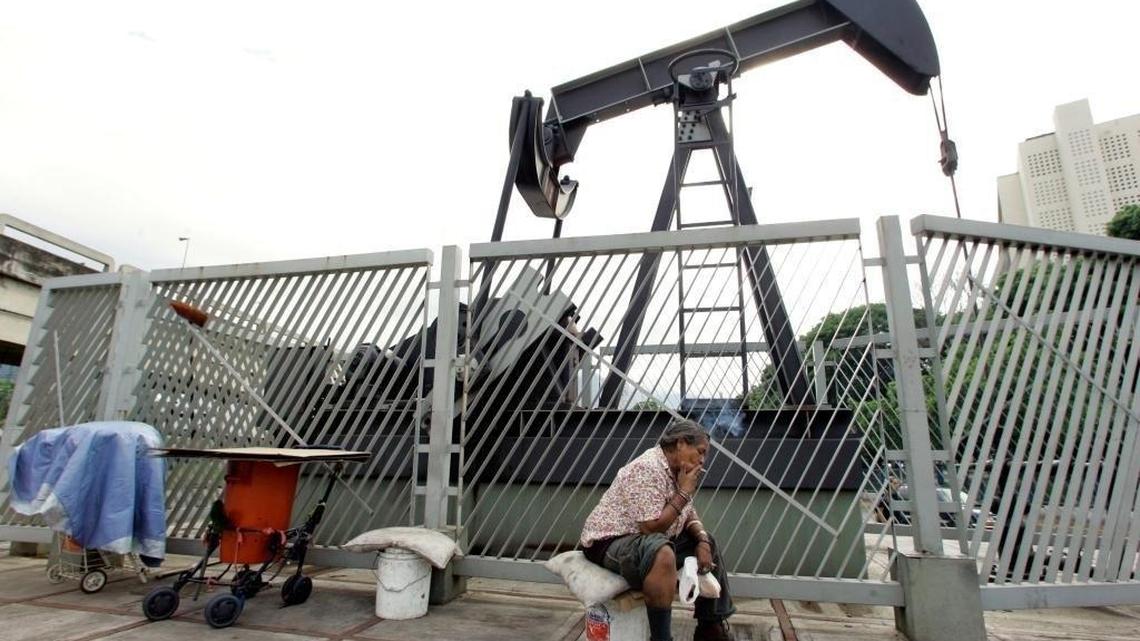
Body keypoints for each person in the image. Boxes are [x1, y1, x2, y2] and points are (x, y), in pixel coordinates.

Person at [580, 419, 734, 641]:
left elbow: (687, 513)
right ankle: (661, 638)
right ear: (681, 443)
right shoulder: (647, 468)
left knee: (708, 541)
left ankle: (710, 628)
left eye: (704, 455)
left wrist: (701, 540)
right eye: (700, 452)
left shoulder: (678, 471)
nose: (702, 460)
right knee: (661, 552)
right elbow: (651, 527)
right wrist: (683, 492)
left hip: (646, 539)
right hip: (610, 541)